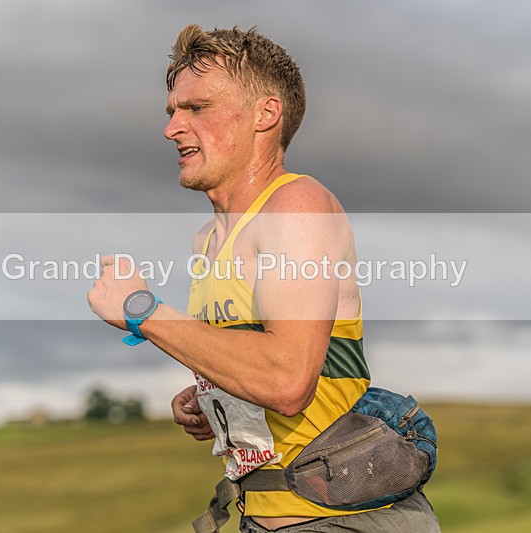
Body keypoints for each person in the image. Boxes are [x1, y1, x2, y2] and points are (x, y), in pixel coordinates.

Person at [88, 24, 440, 532]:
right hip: (269, 518)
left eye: (198, 108)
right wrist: (217, 400)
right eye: (172, 112)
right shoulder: (207, 243)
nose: (173, 128)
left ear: (266, 115)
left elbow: (286, 379)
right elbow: (265, 372)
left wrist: (143, 311)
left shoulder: (295, 207)